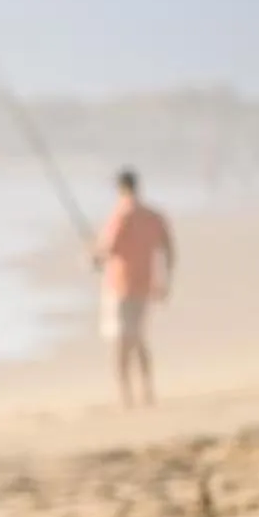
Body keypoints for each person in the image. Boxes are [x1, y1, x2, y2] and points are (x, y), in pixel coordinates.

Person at [94, 167, 176, 407]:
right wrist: (165, 281)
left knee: (121, 342)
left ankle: (125, 395)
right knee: (139, 339)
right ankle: (147, 391)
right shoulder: (153, 216)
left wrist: (92, 255)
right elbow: (169, 250)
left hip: (120, 286)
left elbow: (106, 250)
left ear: (120, 188)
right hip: (145, 284)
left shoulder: (121, 216)